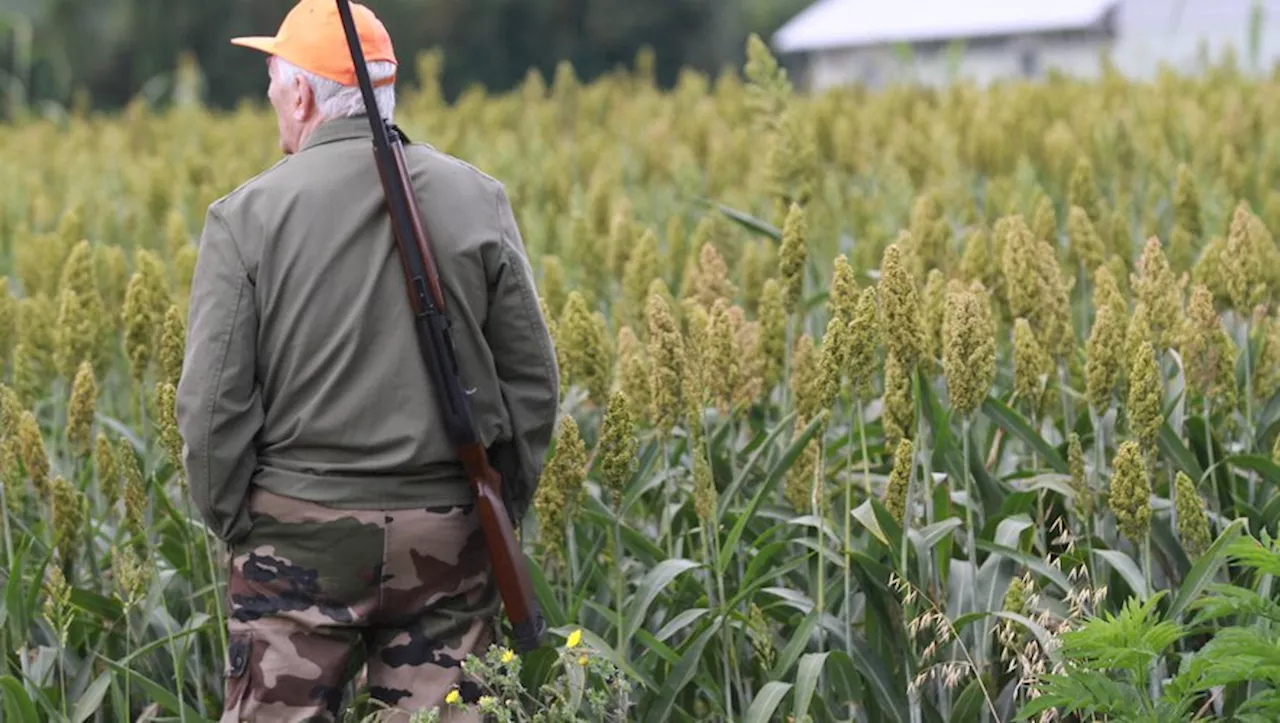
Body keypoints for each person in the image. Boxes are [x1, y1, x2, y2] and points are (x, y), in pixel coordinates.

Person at [174, 1, 560, 720]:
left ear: (301, 93)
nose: (268, 98)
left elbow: (211, 408)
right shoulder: (479, 199)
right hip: (445, 533)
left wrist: (242, 523)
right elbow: (532, 385)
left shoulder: (246, 216)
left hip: (295, 536)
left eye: (270, 79)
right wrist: (494, 509)